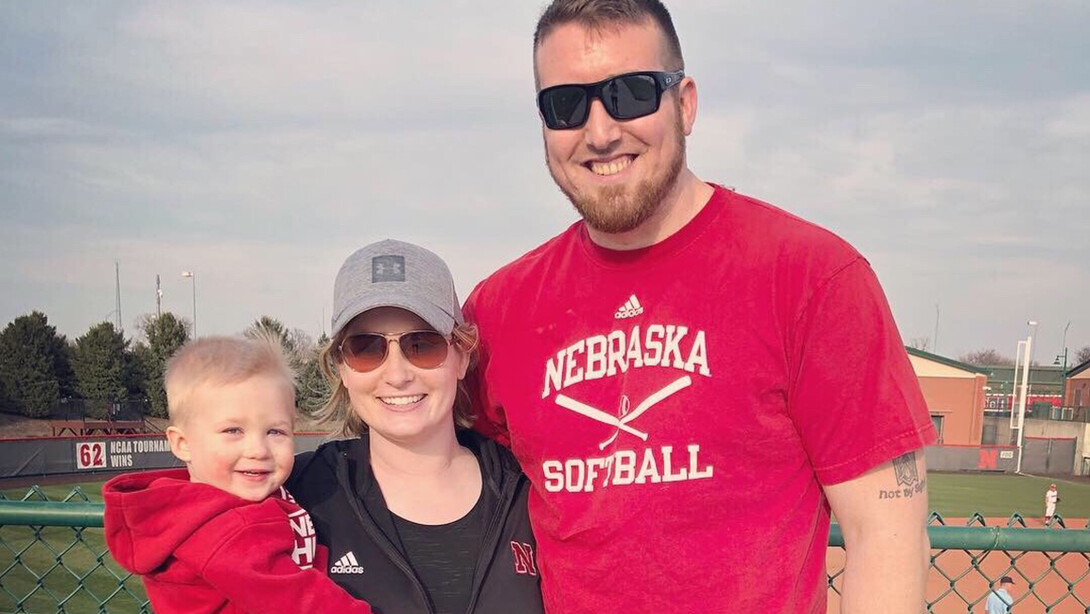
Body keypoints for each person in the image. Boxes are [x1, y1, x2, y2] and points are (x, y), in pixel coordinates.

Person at [463, 1, 938, 612]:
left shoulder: (811, 277)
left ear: (684, 104)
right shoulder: (500, 310)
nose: (601, 131)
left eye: (631, 93)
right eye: (566, 105)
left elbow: (886, 538)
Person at [286, 239, 544, 614]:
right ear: (341, 367)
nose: (397, 374)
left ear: (461, 357)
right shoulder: (296, 496)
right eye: (367, 348)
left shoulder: (530, 494)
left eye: (422, 345)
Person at [102, 335, 373, 614]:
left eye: (275, 431)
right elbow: (299, 602)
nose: (258, 450)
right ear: (182, 444)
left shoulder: (222, 504)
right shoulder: (222, 528)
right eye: (233, 431)